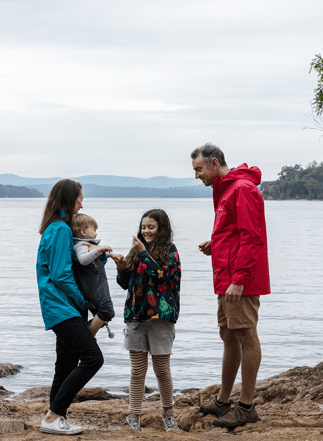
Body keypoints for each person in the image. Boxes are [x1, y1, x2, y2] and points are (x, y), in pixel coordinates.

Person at [191, 143, 270, 429]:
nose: (197, 176)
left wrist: (239, 279)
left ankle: (246, 406)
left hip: (240, 280)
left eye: (199, 169)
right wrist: (216, 244)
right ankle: (224, 400)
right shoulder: (225, 188)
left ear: (214, 163)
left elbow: (252, 237)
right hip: (226, 277)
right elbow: (235, 231)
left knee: (247, 335)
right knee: (228, 334)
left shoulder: (242, 189)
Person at [36, 179, 104, 436]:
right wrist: (84, 302)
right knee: (93, 358)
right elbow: (60, 275)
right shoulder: (60, 229)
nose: (82, 203)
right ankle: (54, 414)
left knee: (65, 364)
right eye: (79, 199)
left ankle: (54, 418)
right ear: (68, 200)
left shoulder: (55, 229)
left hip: (60, 307)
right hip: (62, 307)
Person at [115, 209, 181, 433]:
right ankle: (133, 416)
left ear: (161, 228)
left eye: (150, 227)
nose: (146, 231)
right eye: (143, 227)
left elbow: (161, 276)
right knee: (137, 371)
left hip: (161, 319)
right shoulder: (136, 251)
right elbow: (125, 284)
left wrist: (142, 253)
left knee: (162, 369)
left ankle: (168, 414)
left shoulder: (171, 252)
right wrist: (121, 269)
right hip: (135, 317)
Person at [70, 213, 122, 337]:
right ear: (83, 231)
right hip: (95, 288)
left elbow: (93, 257)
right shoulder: (81, 245)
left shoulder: (87, 244)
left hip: (96, 288)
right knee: (107, 310)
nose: (96, 233)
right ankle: (88, 335)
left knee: (102, 315)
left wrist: (110, 255)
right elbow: (83, 260)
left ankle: (89, 335)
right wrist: (99, 249)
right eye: (94, 229)